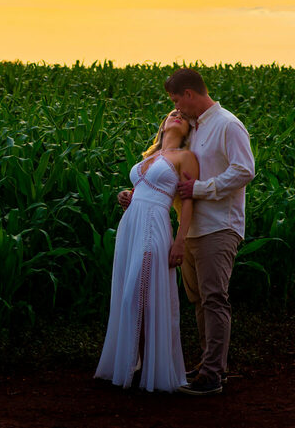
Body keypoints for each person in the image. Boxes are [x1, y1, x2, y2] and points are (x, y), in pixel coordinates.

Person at [94, 109, 199, 392]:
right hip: (131, 225)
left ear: (189, 129)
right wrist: (126, 195)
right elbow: (142, 188)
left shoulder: (186, 157)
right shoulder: (149, 157)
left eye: (183, 116)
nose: (177, 115)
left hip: (155, 225)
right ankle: (134, 362)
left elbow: (188, 202)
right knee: (130, 294)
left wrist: (181, 241)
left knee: (139, 296)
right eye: (172, 113)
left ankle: (145, 365)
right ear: (163, 123)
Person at [166, 67, 255, 396]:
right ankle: (209, 365)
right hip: (194, 228)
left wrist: (202, 189)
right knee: (200, 300)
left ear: (190, 94)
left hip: (220, 225)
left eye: (177, 100)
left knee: (214, 299)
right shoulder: (197, 127)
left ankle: (213, 376)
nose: (177, 108)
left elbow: (245, 170)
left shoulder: (227, 125)